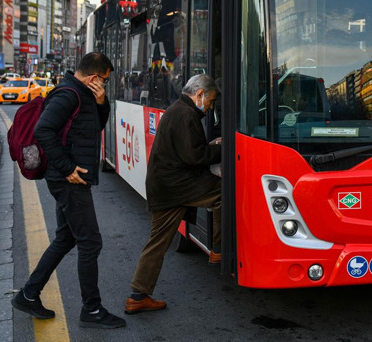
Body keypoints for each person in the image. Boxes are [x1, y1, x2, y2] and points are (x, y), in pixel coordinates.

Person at [11, 52, 126, 329]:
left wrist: (101, 102)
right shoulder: (69, 95)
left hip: (69, 178)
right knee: (90, 242)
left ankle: (28, 294)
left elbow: (92, 128)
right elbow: (43, 130)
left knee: (66, 237)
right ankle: (92, 310)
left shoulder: (83, 94)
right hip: (68, 180)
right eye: (106, 81)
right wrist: (67, 168)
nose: (106, 85)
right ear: (95, 77)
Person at [125, 74, 222, 315]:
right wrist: (221, 148)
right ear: (199, 94)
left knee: (157, 243)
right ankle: (219, 250)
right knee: (224, 192)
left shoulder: (178, 110)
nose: (210, 107)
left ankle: (138, 296)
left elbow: (188, 150)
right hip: (179, 187)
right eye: (210, 101)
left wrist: (210, 146)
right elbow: (194, 158)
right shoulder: (186, 115)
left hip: (165, 186)